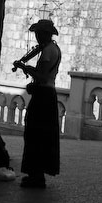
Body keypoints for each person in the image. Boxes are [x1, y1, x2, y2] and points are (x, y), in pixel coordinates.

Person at [12, 19, 62, 189]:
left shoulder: (47, 51)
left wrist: (24, 67)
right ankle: (37, 174)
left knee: (35, 133)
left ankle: (36, 176)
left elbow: (41, 76)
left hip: (43, 95)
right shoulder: (54, 48)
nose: (37, 37)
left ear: (44, 34)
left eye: (39, 34)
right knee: (42, 134)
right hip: (48, 94)